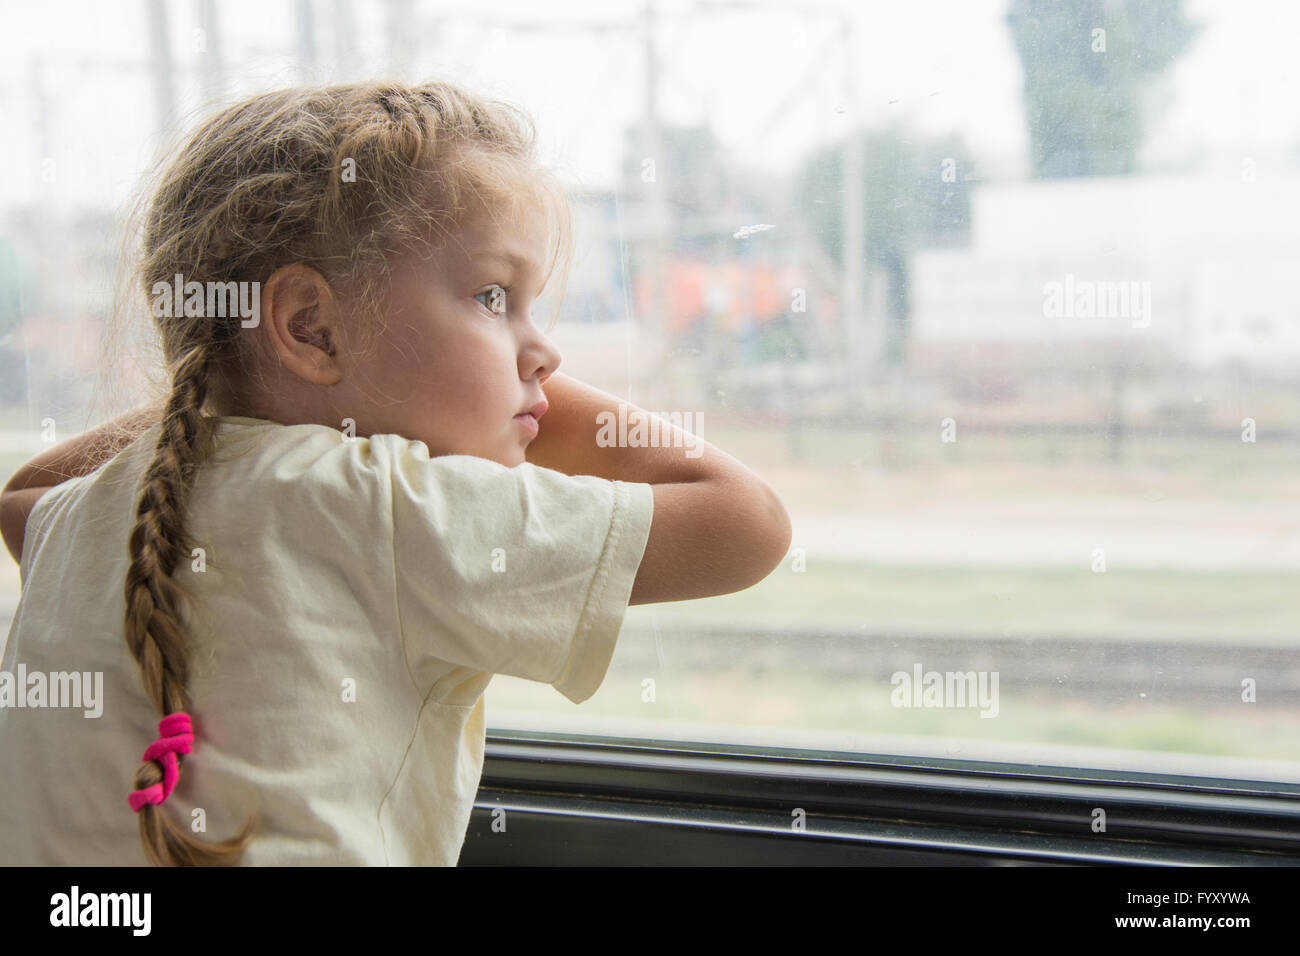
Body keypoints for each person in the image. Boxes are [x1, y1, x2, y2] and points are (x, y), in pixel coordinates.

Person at [0, 80, 791, 866]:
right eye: (492, 296)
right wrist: (527, 399)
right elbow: (748, 524)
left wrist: (217, 379)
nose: (543, 351)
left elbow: (24, 496)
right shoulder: (391, 508)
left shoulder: (92, 512)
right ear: (309, 326)